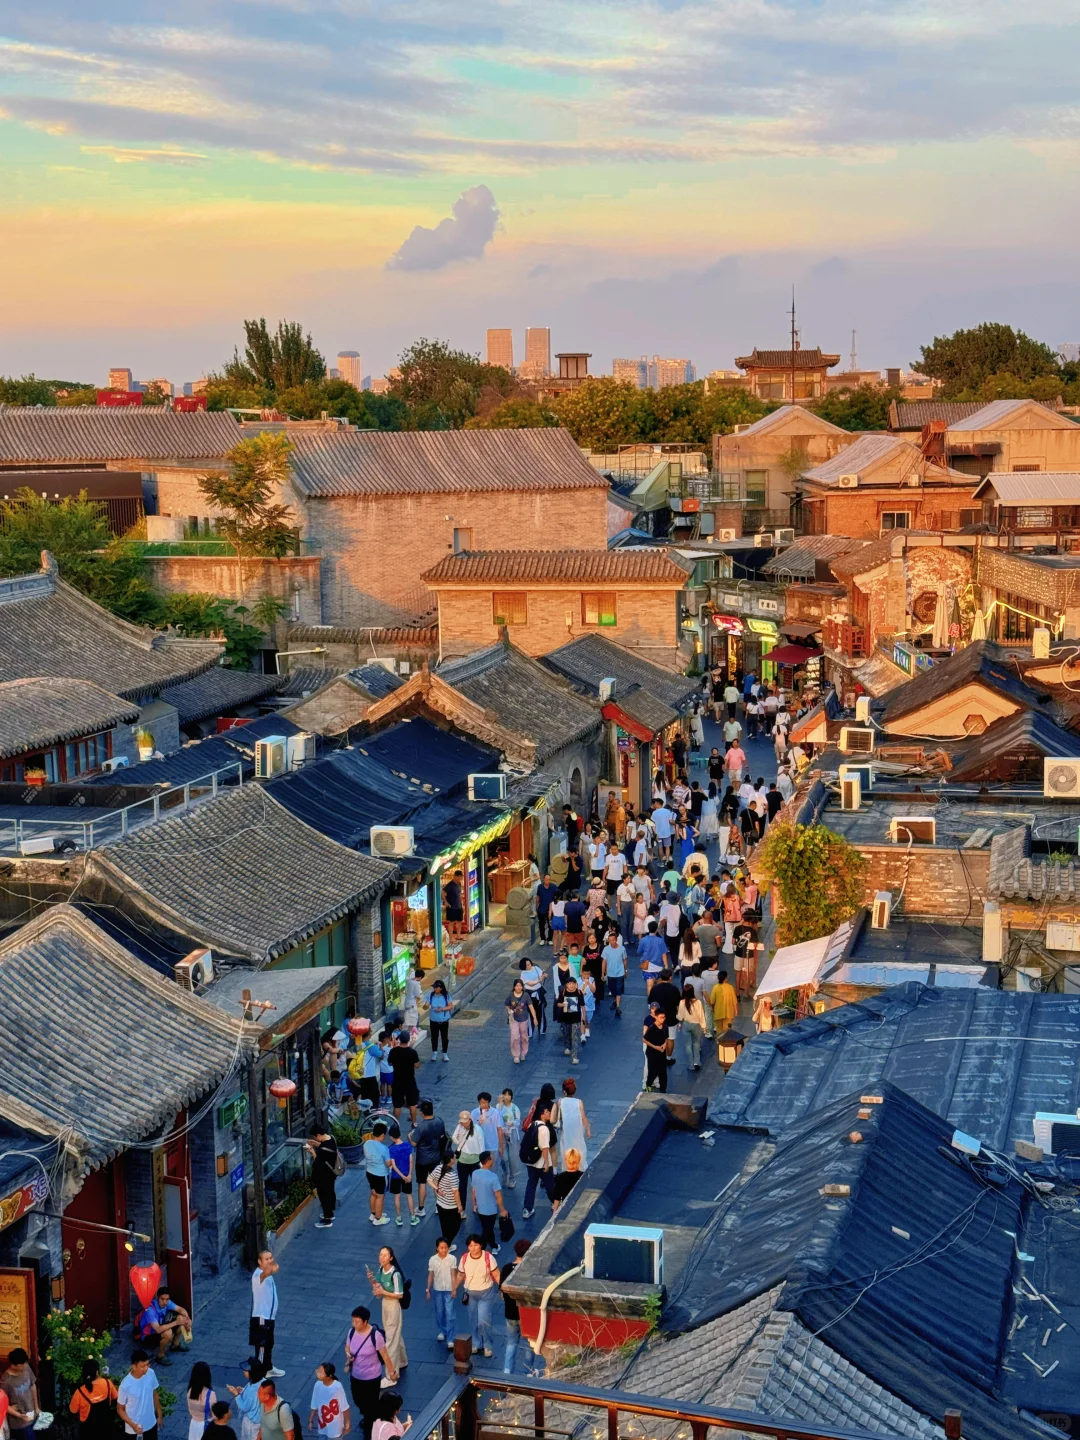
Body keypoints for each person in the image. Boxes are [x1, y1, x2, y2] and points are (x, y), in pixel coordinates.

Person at [345, 1308, 396, 1440]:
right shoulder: (351, 1332)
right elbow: (347, 1347)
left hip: (372, 1377)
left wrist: (392, 1372)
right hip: (356, 1374)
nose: (354, 1324)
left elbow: (385, 1355)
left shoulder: (375, 1336)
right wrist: (348, 1354)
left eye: (357, 1322)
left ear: (365, 1321)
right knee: (357, 1399)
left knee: (370, 1403)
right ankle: (372, 1414)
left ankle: (370, 1428)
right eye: (353, 1321)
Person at [368, 1246, 408, 1385]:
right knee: (395, 1333)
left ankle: (391, 1376)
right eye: (381, 1254)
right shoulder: (381, 1269)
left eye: (385, 1255)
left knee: (390, 1339)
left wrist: (383, 1292)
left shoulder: (395, 1274)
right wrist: (372, 1280)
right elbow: (377, 1285)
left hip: (393, 1305)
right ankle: (402, 1361)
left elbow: (399, 1294)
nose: (382, 1258)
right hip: (385, 1304)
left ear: (391, 1258)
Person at [457, 1234, 501, 1358]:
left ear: (481, 1245)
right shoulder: (464, 1258)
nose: (473, 1248)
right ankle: (476, 1343)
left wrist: (502, 1288)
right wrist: (454, 1288)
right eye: (470, 1246)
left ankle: (487, 1345)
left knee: (483, 1320)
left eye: (475, 1245)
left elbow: (497, 1274)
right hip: (470, 1293)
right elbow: (460, 1274)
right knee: (473, 1320)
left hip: (486, 1293)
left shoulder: (488, 1257)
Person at [502, 1239, 538, 1376]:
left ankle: (507, 1370)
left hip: (510, 1312)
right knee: (528, 1344)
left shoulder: (506, 1268)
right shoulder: (531, 1271)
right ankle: (528, 1371)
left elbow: (502, 1291)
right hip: (526, 1313)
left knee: (511, 1343)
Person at [135, 1285, 190, 1364]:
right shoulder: (150, 1310)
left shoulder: (167, 1302)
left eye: (167, 1299)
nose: (165, 1302)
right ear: (157, 1298)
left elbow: (180, 1309)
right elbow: (158, 1329)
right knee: (168, 1332)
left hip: (160, 1328)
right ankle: (160, 1356)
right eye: (162, 1299)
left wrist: (188, 1319)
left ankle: (175, 1345)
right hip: (148, 1337)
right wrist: (176, 1322)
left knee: (181, 1318)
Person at [409, 1099, 446, 1215]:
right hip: (436, 1158)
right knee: (436, 1182)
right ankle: (439, 1206)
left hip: (422, 1160)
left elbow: (413, 1143)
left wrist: (409, 1136)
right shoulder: (439, 1122)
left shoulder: (421, 1127)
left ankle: (421, 1209)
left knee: (422, 1183)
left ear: (422, 1113)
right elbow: (442, 1136)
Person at [250, 1250, 283, 1376]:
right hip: (262, 1318)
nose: (270, 1261)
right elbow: (264, 1275)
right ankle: (260, 1373)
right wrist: (271, 1270)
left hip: (269, 1318)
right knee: (262, 1346)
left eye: (270, 1258)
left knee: (269, 1343)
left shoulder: (268, 1275)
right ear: (259, 1261)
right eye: (266, 1259)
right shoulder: (258, 1275)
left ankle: (268, 1367)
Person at [521, 1100, 556, 1218]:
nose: (549, 1113)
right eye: (547, 1112)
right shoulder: (544, 1129)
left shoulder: (532, 1125)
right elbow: (545, 1148)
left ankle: (527, 1209)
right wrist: (546, 1163)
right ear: (542, 1114)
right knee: (550, 1185)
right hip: (541, 1163)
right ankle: (555, 1203)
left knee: (531, 1185)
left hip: (531, 1162)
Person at [470, 1151, 509, 1252]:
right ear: (488, 1161)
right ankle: (480, 1249)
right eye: (492, 1158)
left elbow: (473, 1191)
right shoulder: (493, 1177)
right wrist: (502, 1210)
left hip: (480, 1208)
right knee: (487, 1230)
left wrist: (474, 1205)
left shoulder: (475, 1173)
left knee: (487, 1228)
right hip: (491, 1209)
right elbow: (498, 1195)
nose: (493, 1160)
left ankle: (494, 1246)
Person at [70, 1359, 119, 1440]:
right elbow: (115, 1397)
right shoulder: (107, 1383)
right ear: (97, 1372)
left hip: (88, 1433)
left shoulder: (79, 1392)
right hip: (107, 1430)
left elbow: (73, 1411)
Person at [118, 1353, 163, 1440]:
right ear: (134, 1367)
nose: (146, 1368)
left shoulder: (151, 1373)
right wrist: (133, 1425)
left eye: (147, 1365)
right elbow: (120, 1409)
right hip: (134, 1429)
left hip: (151, 1424)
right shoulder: (125, 1385)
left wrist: (159, 1415)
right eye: (142, 1366)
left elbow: (155, 1394)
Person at [429, 1146, 466, 1246]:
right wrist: (459, 1206)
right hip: (451, 1206)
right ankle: (447, 1244)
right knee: (456, 1225)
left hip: (440, 1203)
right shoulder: (452, 1175)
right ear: (450, 1160)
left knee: (444, 1226)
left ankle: (446, 1243)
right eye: (454, 1157)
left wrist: (436, 1188)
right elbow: (456, 1192)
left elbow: (429, 1179)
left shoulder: (438, 1168)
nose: (455, 1158)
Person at [552, 1077, 591, 1170]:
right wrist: (588, 1129)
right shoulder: (579, 1102)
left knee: (566, 1151)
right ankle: (580, 1169)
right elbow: (583, 1117)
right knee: (580, 1150)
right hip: (577, 1132)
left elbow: (559, 1117)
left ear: (564, 1091)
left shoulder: (560, 1101)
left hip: (567, 1132)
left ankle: (567, 1169)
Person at [307, 1126, 341, 1230]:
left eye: (315, 1137)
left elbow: (317, 1161)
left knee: (324, 1196)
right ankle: (330, 1213)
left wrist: (312, 1151)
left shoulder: (323, 1149)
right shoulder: (331, 1138)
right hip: (331, 1173)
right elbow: (324, 1147)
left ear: (318, 1135)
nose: (314, 1138)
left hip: (324, 1175)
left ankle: (327, 1219)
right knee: (330, 1193)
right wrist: (316, 1144)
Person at [426, 1236, 457, 1349]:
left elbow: (453, 1274)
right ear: (437, 1248)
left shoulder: (452, 1258)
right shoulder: (432, 1259)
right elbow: (431, 1275)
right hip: (438, 1289)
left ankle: (450, 1338)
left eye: (446, 1247)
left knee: (450, 1313)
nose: (444, 1250)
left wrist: (454, 1288)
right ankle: (442, 1330)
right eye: (441, 1248)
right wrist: (428, 1289)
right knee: (440, 1312)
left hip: (449, 1289)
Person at [1, 1348, 38, 1437]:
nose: (24, 1366)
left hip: (32, 1414)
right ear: (13, 1365)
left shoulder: (26, 1367)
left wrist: (36, 1407)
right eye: (21, 1365)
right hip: (20, 1422)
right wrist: (19, 1415)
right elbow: (2, 1403)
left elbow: (32, 1385)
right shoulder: (5, 1381)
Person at [226, 1360, 266, 1440]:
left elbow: (244, 1407)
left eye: (246, 1371)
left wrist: (236, 1394)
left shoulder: (252, 1390)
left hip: (252, 1422)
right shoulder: (264, 1381)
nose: (244, 1372)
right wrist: (243, 1391)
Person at [309, 1363, 350, 1440]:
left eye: (321, 1372)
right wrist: (310, 1420)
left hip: (335, 1428)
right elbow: (314, 1404)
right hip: (322, 1425)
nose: (317, 1373)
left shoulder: (337, 1386)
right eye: (318, 1370)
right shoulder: (317, 1385)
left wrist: (347, 1423)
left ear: (329, 1376)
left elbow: (344, 1406)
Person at [363, 1123, 393, 1227]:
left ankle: (373, 1214)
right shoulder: (384, 1148)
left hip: (369, 1172)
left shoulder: (367, 1143)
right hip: (380, 1175)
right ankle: (378, 1219)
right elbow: (388, 1164)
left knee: (373, 1193)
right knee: (380, 1196)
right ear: (383, 1134)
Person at [388, 1032, 420, 1124]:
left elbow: (390, 1063)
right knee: (412, 1103)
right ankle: (414, 1123)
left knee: (397, 1105)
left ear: (399, 1040)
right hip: (410, 1081)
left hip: (397, 1081)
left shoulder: (393, 1051)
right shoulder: (412, 1052)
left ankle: (396, 1124)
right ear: (408, 1040)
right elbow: (417, 1065)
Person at [388, 1130, 418, 1227]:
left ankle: (399, 1218)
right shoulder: (407, 1145)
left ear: (391, 1137)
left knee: (397, 1196)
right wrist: (409, 1175)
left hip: (396, 1176)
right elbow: (411, 1161)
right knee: (409, 1195)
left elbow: (393, 1165)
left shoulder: (391, 1149)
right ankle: (413, 1217)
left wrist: (402, 1176)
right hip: (407, 1175)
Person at [553, 974, 583, 1064]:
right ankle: (567, 1046)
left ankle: (575, 1056)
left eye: (573, 983)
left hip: (576, 1018)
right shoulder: (563, 992)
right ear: (566, 985)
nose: (571, 985)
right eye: (569, 983)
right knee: (566, 1033)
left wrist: (583, 1017)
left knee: (575, 1037)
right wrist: (563, 1004)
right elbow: (558, 1004)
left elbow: (582, 1005)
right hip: (565, 1017)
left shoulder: (579, 992)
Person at [677, 984, 708, 1070]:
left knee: (688, 1045)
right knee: (696, 1043)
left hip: (686, 1025)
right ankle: (696, 1062)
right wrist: (704, 1026)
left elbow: (680, 1016)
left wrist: (679, 1024)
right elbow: (701, 1015)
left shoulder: (682, 1002)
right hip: (696, 1025)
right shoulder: (698, 1002)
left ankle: (691, 1064)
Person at [497, 1088, 521, 1190]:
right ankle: (505, 1172)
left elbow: (518, 1121)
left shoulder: (515, 1108)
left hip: (512, 1133)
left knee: (512, 1157)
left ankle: (512, 1178)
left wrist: (512, 1123)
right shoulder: (499, 1106)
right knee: (503, 1157)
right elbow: (497, 1117)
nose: (507, 1097)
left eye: (508, 1095)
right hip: (502, 1133)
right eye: (505, 1094)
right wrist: (500, 1104)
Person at [643, 1003, 670, 1093]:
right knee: (652, 1072)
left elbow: (666, 1037)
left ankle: (663, 1090)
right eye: (661, 1017)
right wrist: (655, 1047)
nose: (663, 1019)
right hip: (652, 1053)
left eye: (664, 1017)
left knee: (663, 1073)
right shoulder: (652, 1028)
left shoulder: (665, 1026)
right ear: (656, 1017)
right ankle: (648, 1086)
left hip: (661, 1053)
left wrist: (665, 1044)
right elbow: (644, 1039)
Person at [185, 1363, 215, 1440]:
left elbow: (190, 1410)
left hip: (193, 1424)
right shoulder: (210, 1394)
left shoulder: (190, 1391)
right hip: (205, 1426)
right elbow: (214, 1415)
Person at [601, 930, 627, 1016]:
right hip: (610, 973)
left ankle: (618, 1007)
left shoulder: (622, 949)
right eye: (610, 940)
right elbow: (604, 961)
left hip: (620, 972)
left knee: (619, 989)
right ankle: (614, 1001)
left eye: (613, 940)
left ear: (616, 940)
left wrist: (626, 970)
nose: (611, 942)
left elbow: (624, 960)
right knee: (612, 989)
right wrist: (603, 973)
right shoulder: (606, 949)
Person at [506, 979, 532, 1063]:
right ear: (514, 987)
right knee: (514, 1036)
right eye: (517, 986)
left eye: (520, 986)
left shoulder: (526, 995)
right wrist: (509, 1010)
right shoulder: (510, 995)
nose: (518, 987)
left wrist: (534, 1017)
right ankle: (516, 1055)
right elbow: (507, 1004)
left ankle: (523, 1053)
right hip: (513, 1019)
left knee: (524, 1037)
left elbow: (530, 1006)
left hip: (524, 1019)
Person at [638, 921, 667, 995]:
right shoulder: (660, 941)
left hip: (647, 967)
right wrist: (666, 966)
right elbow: (664, 954)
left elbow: (639, 951)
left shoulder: (643, 940)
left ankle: (650, 1001)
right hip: (659, 967)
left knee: (649, 986)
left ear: (648, 929)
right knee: (659, 987)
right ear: (656, 929)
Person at [552, 1147, 584, 1213]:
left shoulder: (560, 1177)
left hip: (566, 1207)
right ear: (579, 1161)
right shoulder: (583, 1176)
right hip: (580, 1207)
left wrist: (554, 1212)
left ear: (566, 1161)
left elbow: (557, 1198)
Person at [519, 956, 547, 1033]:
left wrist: (544, 976)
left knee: (541, 1010)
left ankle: (542, 1029)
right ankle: (530, 1031)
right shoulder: (523, 973)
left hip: (539, 992)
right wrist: (538, 980)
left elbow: (542, 975)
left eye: (529, 963)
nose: (529, 965)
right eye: (527, 965)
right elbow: (530, 984)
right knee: (529, 1012)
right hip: (529, 993)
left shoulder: (536, 968)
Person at [427, 980, 452, 1062]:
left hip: (444, 1020)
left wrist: (442, 1009)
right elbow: (427, 1004)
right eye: (434, 987)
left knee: (444, 1037)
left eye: (436, 987)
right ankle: (434, 1052)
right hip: (433, 1020)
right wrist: (426, 1005)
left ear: (440, 988)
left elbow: (450, 1006)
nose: (434, 989)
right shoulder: (431, 995)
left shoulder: (446, 995)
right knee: (434, 1037)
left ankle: (445, 1053)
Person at [709, 968, 739, 1034]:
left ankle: (719, 1040)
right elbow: (734, 1001)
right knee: (727, 1031)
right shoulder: (730, 987)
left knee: (719, 1031)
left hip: (718, 1013)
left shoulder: (715, 987)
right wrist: (736, 1010)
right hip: (729, 1013)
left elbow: (712, 1001)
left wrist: (712, 1008)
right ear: (725, 978)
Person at [535, 874, 558, 945]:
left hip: (551, 910)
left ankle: (549, 939)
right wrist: (537, 907)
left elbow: (557, 897)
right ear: (543, 880)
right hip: (542, 909)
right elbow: (538, 897)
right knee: (541, 925)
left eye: (549, 880)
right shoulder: (540, 887)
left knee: (550, 925)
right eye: (546, 880)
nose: (548, 881)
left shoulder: (553, 887)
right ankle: (542, 938)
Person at [443, 871, 464, 937]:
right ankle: (451, 937)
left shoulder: (459, 884)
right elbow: (442, 893)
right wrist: (446, 902)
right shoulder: (450, 885)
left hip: (459, 906)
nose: (459, 878)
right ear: (454, 876)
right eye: (458, 876)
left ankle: (458, 935)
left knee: (459, 921)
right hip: (452, 906)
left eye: (460, 876)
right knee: (451, 922)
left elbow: (459, 894)